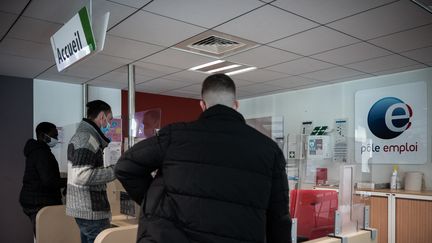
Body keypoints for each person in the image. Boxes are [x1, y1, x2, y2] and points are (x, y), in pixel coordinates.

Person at [115, 74, 292, 243]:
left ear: (202, 105)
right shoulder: (269, 149)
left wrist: (155, 203)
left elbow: (125, 167)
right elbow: (279, 218)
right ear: (236, 104)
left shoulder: (175, 136)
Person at [66, 100, 116, 243]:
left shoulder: (83, 136)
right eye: (110, 119)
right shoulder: (87, 138)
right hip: (91, 211)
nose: (110, 124)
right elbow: (81, 175)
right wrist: (115, 170)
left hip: (85, 209)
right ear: (102, 117)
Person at [19, 122, 66, 237]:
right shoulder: (41, 153)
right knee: (46, 236)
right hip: (39, 202)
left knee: (43, 235)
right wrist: (68, 181)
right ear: (43, 135)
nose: (56, 138)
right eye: (54, 135)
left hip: (33, 200)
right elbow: (49, 181)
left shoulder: (36, 151)